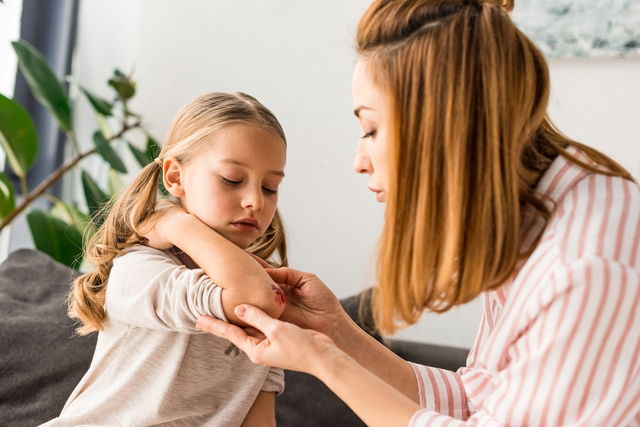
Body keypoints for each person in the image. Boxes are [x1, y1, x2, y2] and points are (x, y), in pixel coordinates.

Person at [195, 1, 640, 425]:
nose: (359, 161)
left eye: (370, 128)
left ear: (439, 128)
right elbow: (476, 401)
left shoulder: (581, 265)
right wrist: (335, 331)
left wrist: (322, 360)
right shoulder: (532, 227)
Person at [43, 92, 289, 426]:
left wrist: (172, 222)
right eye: (232, 179)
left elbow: (258, 418)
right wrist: (175, 222)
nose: (255, 202)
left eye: (270, 187)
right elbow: (254, 299)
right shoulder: (139, 269)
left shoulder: (265, 290)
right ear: (174, 177)